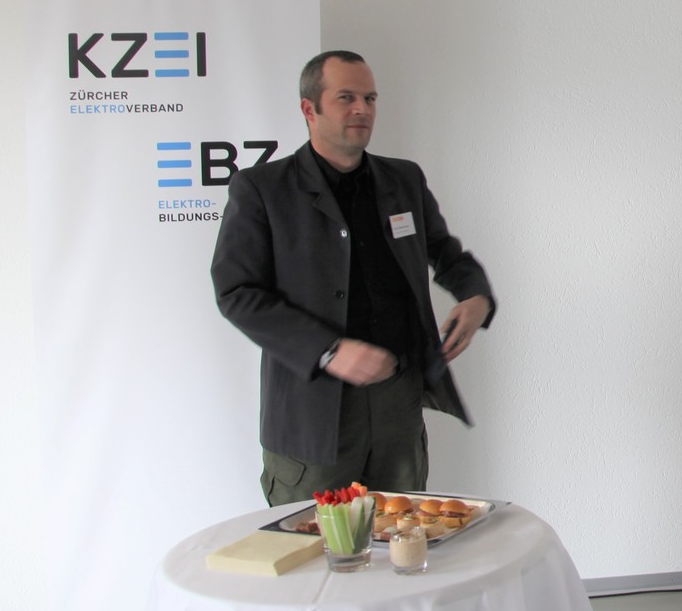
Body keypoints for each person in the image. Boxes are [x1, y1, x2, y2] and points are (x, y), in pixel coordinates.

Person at [211, 50, 495, 505]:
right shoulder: (263, 189)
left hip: (397, 402)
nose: (362, 109)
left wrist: (475, 294)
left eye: (370, 98)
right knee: (316, 540)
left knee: (401, 531)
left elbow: (444, 250)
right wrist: (327, 350)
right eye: (346, 97)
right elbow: (236, 292)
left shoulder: (403, 180)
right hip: (313, 410)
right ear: (310, 109)